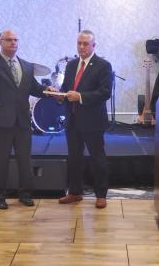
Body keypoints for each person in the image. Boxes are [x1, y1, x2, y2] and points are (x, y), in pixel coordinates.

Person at [0, 30, 55, 210]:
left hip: (22, 120)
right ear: (0, 42)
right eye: (9, 40)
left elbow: (34, 88)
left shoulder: (26, 65)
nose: (13, 43)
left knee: (24, 160)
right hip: (1, 120)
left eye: (16, 40)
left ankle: (25, 194)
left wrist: (49, 91)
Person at [54, 30, 113, 209]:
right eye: (79, 43)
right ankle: (74, 192)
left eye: (85, 44)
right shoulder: (71, 65)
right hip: (72, 120)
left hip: (93, 121)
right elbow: (66, 88)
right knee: (74, 158)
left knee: (97, 157)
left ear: (94, 45)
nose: (81, 47)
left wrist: (80, 96)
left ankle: (101, 195)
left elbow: (104, 93)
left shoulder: (103, 65)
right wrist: (60, 95)